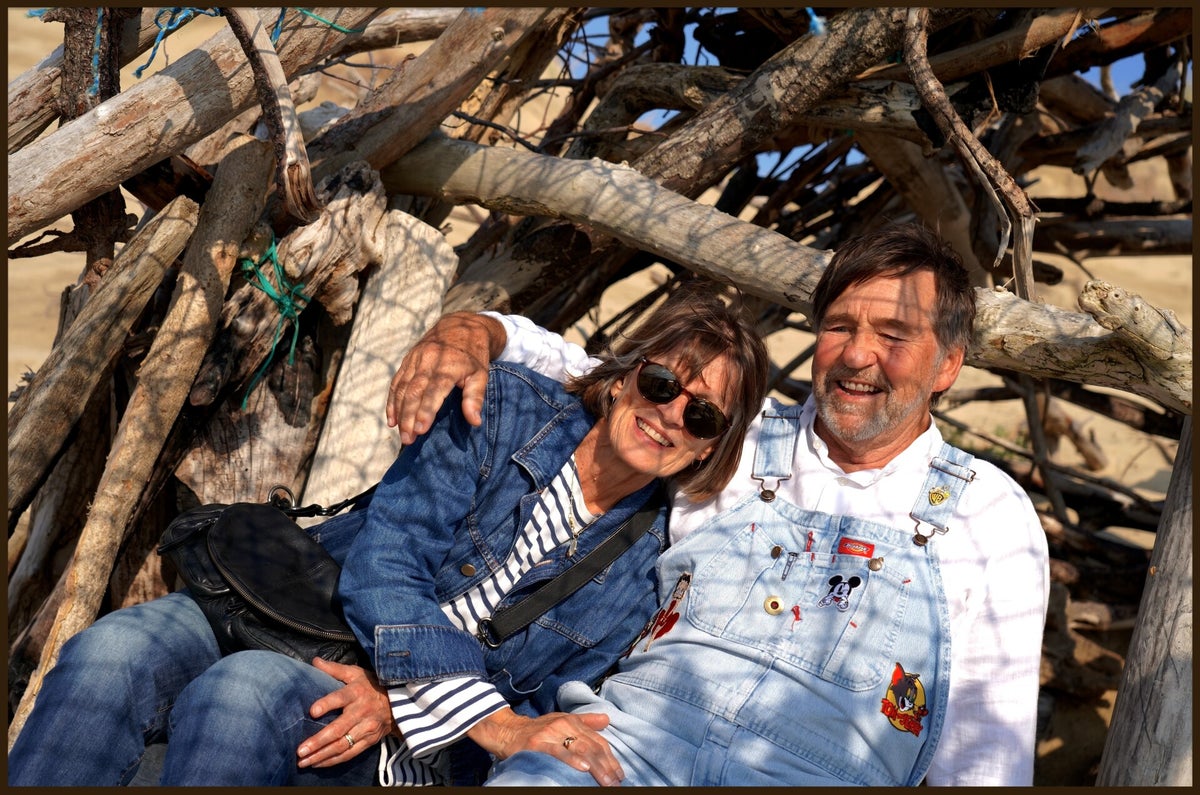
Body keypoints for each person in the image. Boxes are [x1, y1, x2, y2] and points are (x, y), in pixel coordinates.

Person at [7, 284, 770, 787]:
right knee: (111, 649)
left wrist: (409, 704)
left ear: (712, 446)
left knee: (243, 695)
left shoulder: (644, 572)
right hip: (304, 607)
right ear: (624, 374)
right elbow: (387, 561)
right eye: (662, 383)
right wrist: (475, 711)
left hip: (416, 734)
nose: (670, 413)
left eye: (702, 414)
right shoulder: (503, 406)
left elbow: (547, 698)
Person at [385, 222, 1050, 786]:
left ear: (947, 365)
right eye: (839, 325)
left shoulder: (987, 516)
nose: (856, 354)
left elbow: (987, 753)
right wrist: (476, 332)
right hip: (623, 755)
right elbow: (610, 382)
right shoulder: (727, 436)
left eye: (894, 335)